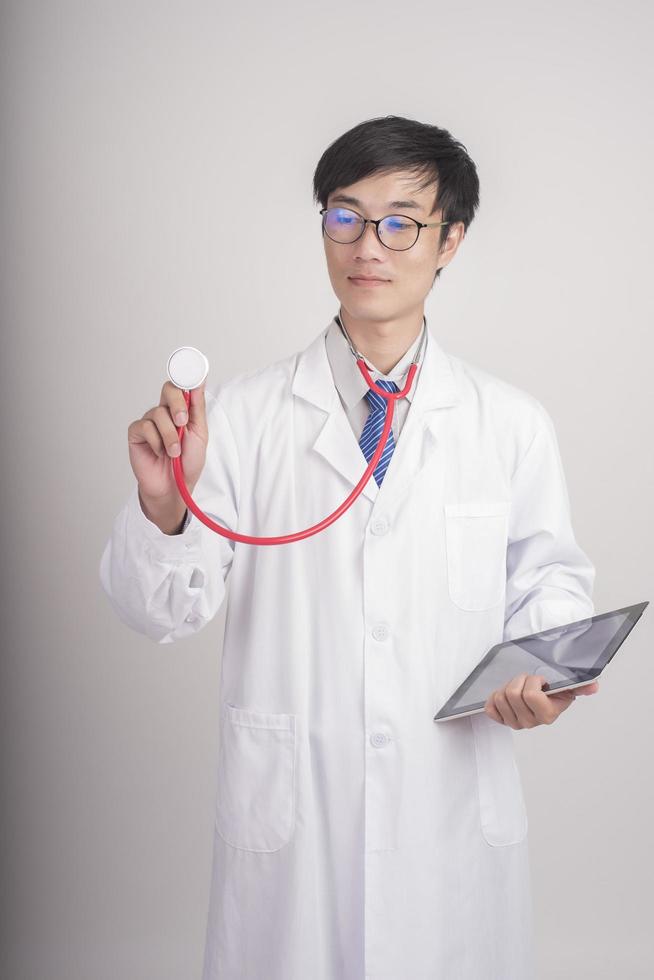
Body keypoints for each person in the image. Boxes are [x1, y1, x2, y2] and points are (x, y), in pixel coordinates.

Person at [99, 115, 598, 980]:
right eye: (345, 215)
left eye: (402, 221)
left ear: (450, 243)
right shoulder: (246, 419)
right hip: (295, 824)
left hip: (450, 817)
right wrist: (161, 505)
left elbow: (551, 586)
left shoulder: (508, 424)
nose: (370, 245)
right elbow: (155, 613)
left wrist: (548, 676)